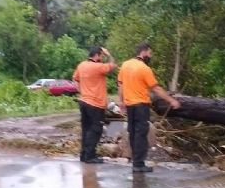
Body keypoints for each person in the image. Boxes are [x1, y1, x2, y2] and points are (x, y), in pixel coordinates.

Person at [117, 43, 180, 173]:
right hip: (140, 105)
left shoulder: (125, 65)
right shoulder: (144, 68)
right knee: (140, 134)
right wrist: (171, 100)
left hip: (130, 105)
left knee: (133, 133)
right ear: (144, 52)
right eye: (150, 54)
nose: (150, 56)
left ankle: (136, 161)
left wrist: (121, 102)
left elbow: (120, 85)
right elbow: (156, 88)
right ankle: (139, 164)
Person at [72, 46, 117, 164]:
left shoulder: (81, 65)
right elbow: (113, 66)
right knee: (96, 129)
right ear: (97, 55)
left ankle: (84, 154)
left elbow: (75, 79)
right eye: (101, 56)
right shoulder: (98, 67)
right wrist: (109, 54)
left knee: (86, 129)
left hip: (83, 102)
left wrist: (81, 91)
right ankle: (90, 156)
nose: (102, 58)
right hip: (96, 104)